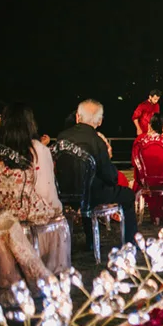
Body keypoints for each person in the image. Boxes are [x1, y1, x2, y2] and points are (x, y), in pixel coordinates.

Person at [0, 103, 69, 274]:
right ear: (30, 124)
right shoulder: (38, 150)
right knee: (59, 219)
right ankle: (50, 269)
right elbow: (46, 192)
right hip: (28, 216)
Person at [57, 99, 138, 244]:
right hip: (92, 196)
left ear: (77, 117)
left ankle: (90, 241)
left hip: (65, 194)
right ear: (99, 121)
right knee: (127, 195)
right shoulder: (96, 141)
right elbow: (109, 176)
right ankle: (131, 242)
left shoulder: (62, 137)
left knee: (89, 186)